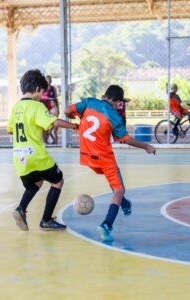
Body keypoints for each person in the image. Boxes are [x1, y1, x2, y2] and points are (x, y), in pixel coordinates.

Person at [65, 85, 156, 242]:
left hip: (86, 155)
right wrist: (146, 146)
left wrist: (78, 121)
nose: (119, 106)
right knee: (119, 189)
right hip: (103, 156)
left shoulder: (89, 102)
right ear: (115, 101)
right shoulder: (114, 115)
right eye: (119, 103)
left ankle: (125, 203)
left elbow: (67, 110)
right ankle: (107, 224)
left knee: (113, 180)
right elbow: (126, 139)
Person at [7, 69, 78, 232]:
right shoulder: (37, 106)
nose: (42, 95)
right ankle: (46, 220)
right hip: (36, 156)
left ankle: (20, 209)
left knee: (35, 183)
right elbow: (55, 122)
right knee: (58, 181)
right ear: (38, 88)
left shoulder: (16, 107)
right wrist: (74, 125)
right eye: (42, 92)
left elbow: (10, 130)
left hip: (19, 157)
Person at [40, 75, 59, 144]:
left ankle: (54, 141)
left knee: (54, 124)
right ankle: (45, 141)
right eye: (47, 80)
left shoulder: (53, 88)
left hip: (52, 106)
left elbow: (56, 99)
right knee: (44, 126)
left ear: (51, 81)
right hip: (44, 107)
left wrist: (58, 109)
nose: (48, 81)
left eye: (49, 80)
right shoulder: (41, 89)